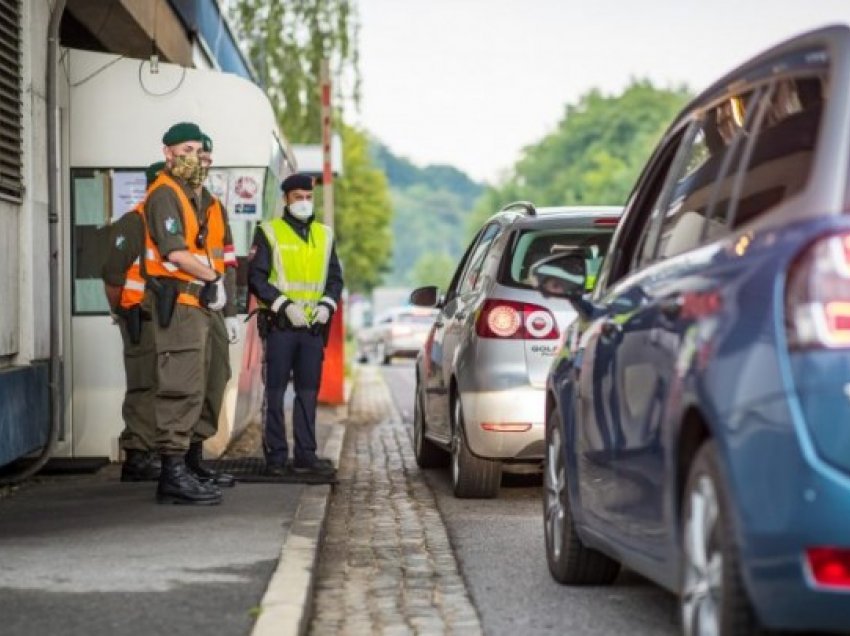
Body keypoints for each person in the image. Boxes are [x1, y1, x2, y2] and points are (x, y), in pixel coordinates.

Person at [142, 121, 231, 505]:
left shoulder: (195, 196)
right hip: (180, 301)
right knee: (180, 386)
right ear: (168, 153)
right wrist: (213, 278)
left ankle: (189, 463)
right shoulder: (164, 193)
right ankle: (173, 474)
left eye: (198, 151)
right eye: (186, 150)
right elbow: (174, 252)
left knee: (206, 382)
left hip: (200, 302)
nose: (193, 157)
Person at [247, 173, 343, 479]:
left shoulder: (325, 235)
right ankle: (276, 457)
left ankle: (306, 454)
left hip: (312, 328)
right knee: (274, 392)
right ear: (286, 199)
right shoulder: (269, 232)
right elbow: (256, 278)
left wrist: (328, 305)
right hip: (280, 327)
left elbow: (335, 278)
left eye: (308, 197)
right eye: (298, 197)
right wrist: (284, 306)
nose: (304, 202)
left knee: (307, 392)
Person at [101, 161, 164, 482]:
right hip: (139, 317)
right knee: (144, 384)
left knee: (162, 385)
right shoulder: (133, 223)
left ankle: (153, 449)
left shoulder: (165, 224)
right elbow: (112, 275)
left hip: (165, 319)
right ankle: (138, 455)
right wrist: (122, 312)